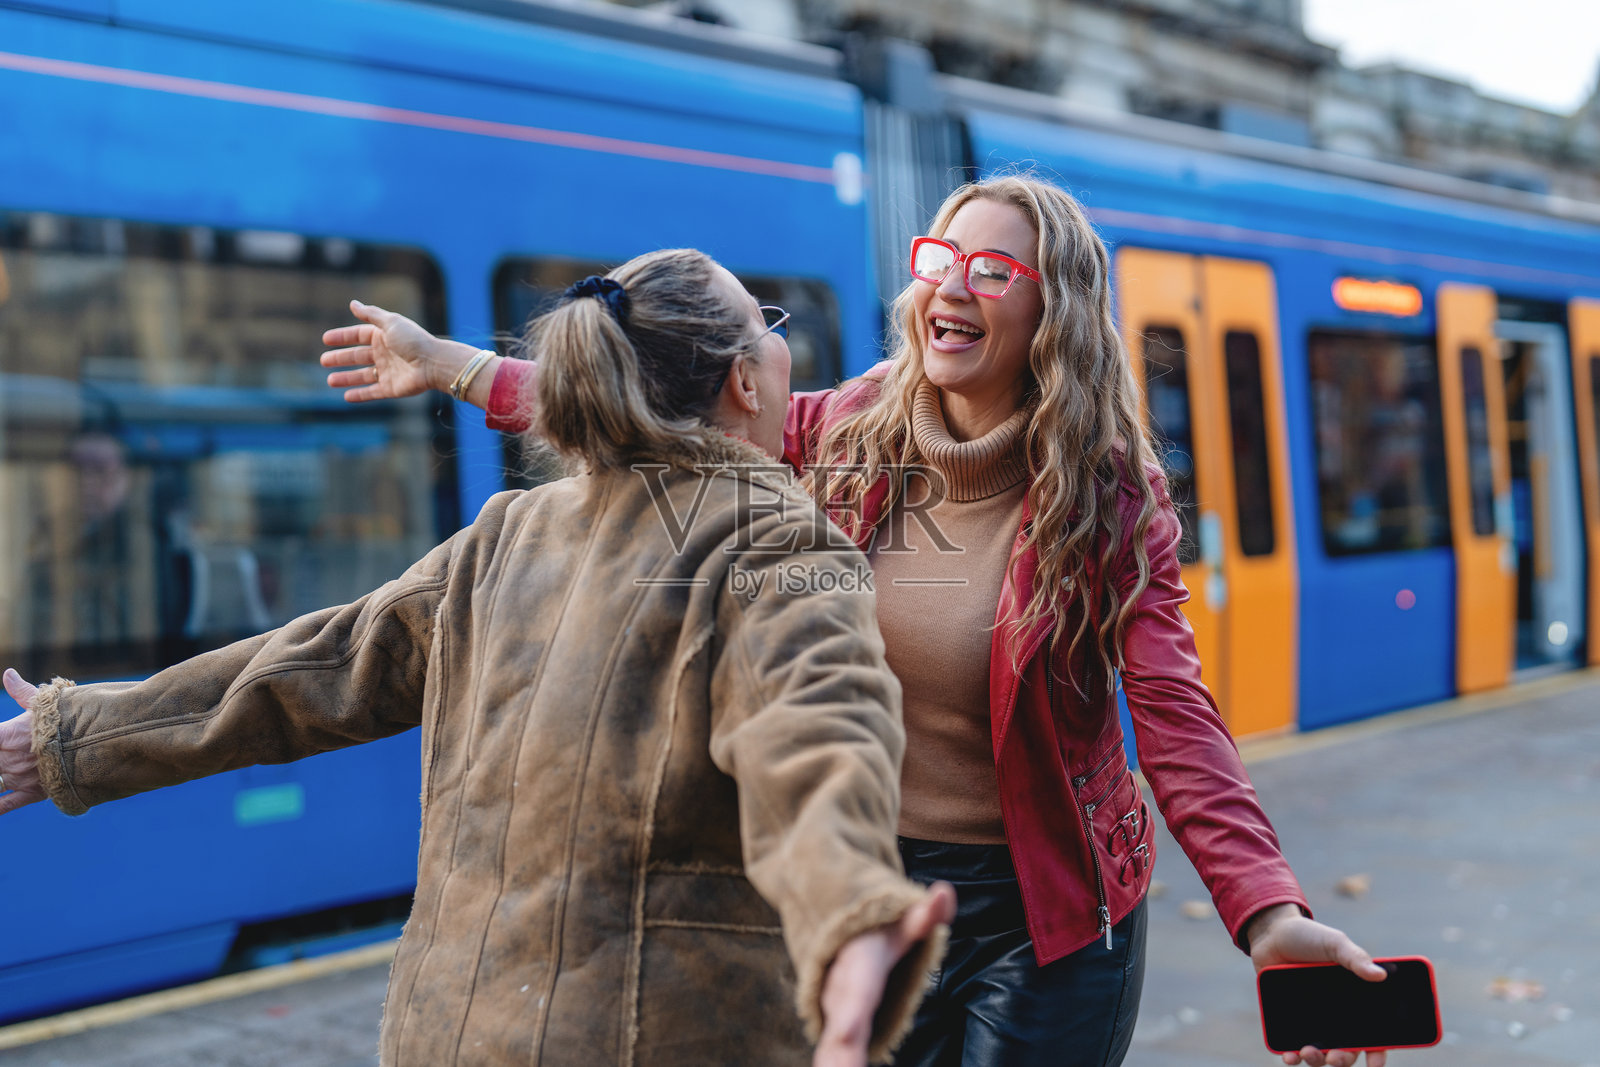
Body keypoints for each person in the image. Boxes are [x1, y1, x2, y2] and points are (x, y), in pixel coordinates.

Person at [317, 177, 1389, 1067]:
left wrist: (1264, 910)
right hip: (877, 892)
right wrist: (452, 367)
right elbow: (656, 417)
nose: (953, 288)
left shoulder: (1108, 495)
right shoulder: (849, 428)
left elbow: (1173, 715)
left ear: (1050, 307)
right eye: (941, 260)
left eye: (993, 269)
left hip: (1050, 915)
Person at [0, 248, 957, 1067]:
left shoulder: (510, 533)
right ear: (746, 381)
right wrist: (854, 922)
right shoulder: (776, 539)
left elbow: (305, 672)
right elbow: (819, 733)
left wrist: (71, 737)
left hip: (446, 1028)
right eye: (767, 323)